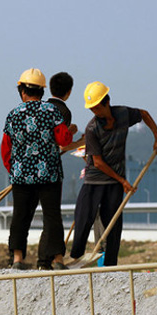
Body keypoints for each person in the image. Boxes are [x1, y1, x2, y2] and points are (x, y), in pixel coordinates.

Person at [70, 82, 157, 266]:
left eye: (96, 107)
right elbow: (97, 162)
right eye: (91, 109)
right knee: (83, 217)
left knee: (112, 223)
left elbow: (144, 114)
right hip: (94, 180)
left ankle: (110, 263)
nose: (94, 112)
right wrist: (123, 180)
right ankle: (76, 256)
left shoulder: (123, 114)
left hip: (113, 183)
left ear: (106, 103)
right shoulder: (92, 129)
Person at [1, 68, 74, 270]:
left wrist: (14, 170)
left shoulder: (13, 115)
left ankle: (17, 258)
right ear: (42, 92)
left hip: (21, 176)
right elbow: (64, 140)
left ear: (22, 91)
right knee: (52, 217)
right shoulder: (52, 112)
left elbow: (6, 148)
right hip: (49, 175)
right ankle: (57, 259)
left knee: (20, 217)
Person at [48, 72, 106, 258]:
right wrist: (78, 142)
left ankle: (100, 254)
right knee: (82, 214)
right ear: (69, 92)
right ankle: (67, 255)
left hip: (101, 179)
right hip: (55, 171)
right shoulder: (63, 111)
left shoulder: (43, 108)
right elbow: (62, 144)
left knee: (97, 217)